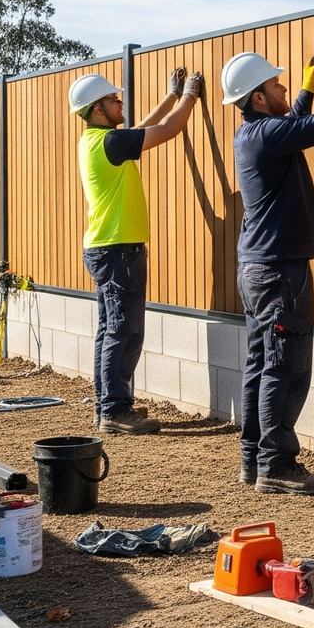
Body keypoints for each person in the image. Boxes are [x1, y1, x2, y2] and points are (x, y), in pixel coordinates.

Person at [221, 49, 314, 495]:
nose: (284, 87)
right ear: (259, 98)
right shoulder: (265, 136)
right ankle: (277, 465)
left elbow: (292, 129)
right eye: (277, 85)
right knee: (285, 368)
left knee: (261, 364)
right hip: (280, 271)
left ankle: (255, 458)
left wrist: (306, 89)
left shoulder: (254, 133)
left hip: (257, 267)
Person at [69, 66, 204, 434]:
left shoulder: (97, 140)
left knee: (110, 330)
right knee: (124, 330)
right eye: (114, 99)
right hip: (117, 249)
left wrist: (172, 96)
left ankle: (107, 406)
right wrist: (189, 95)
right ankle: (114, 410)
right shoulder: (110, 143)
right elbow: (168, 130)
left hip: (106, 248)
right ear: (98, 108)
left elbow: (139, 129)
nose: (120, 101)